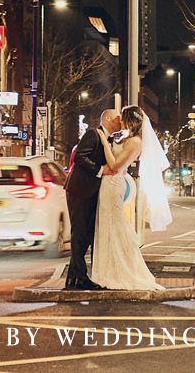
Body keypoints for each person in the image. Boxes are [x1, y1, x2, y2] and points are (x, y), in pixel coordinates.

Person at [90, 107, 168, 290]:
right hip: (108, 184)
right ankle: (108, 270)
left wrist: (104, 143)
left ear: (130, 121)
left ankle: (117, 271)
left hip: (113, 184)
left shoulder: (135, 142)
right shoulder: (128, 139)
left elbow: (116, 165)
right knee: (108, 225)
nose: (120, 122)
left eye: (122, 118)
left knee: (113, 225)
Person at [63, 108, 117, 290]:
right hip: (80, 190)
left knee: (85, 235)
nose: (120, 121)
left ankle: (73, 278)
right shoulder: (93, 134)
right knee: (79, 235)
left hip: (90, 192)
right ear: (108, 118)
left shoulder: (108, 138)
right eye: (117, 118)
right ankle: (81, 278)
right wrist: (100, 170)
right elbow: (80, 157)